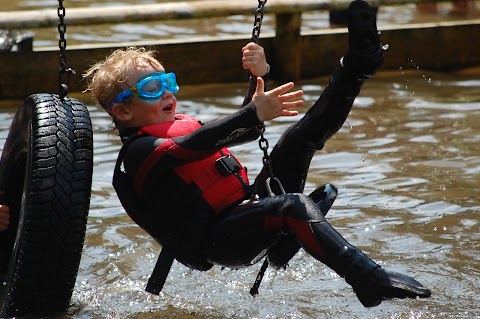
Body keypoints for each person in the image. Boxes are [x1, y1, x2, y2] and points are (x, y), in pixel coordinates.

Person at [83, 0, 431, 308]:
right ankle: (366, 278)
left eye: (169, 82)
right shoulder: (138, 153)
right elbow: (193, 146)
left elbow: (245, 130)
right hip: (218, 239)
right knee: (294, 205)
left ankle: (357, 66)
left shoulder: (183, 123)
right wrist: (254, 111)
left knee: (300, 139)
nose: (168, 93)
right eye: (153, 88)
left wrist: (258, 79)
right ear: (123, 112)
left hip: (247, 207)